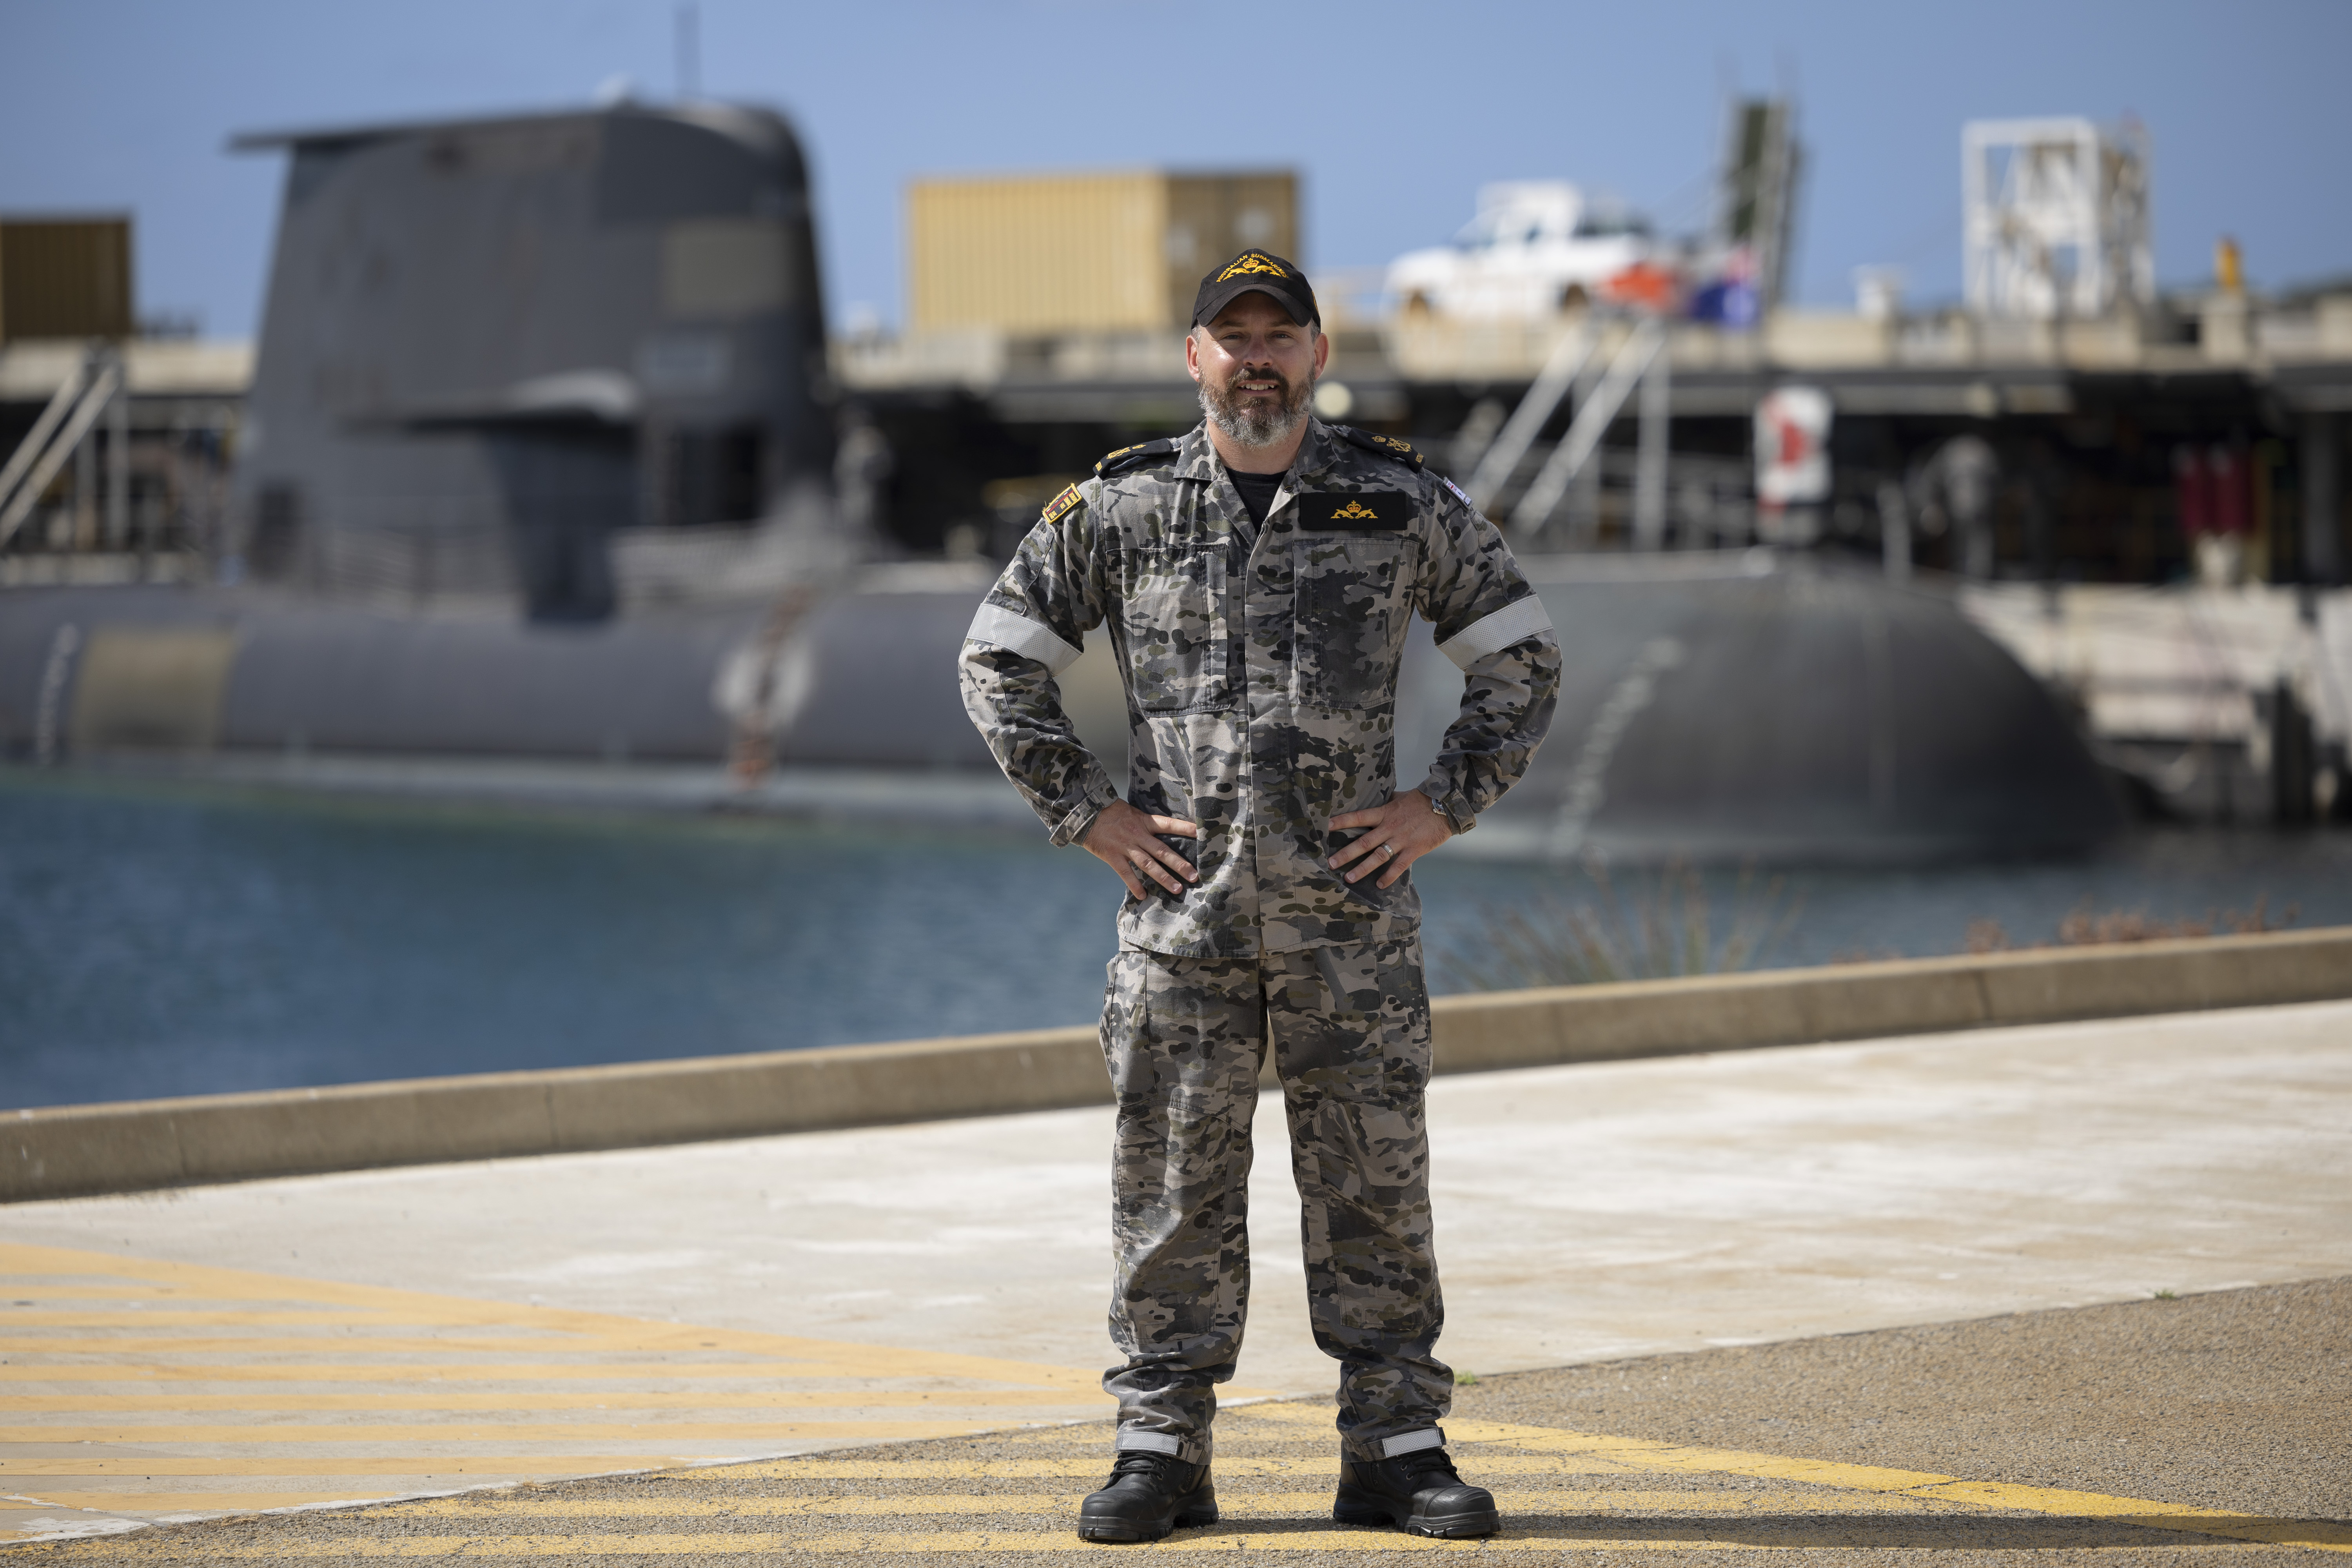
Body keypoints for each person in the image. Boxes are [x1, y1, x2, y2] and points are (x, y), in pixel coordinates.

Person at [958, 250, 1561, 1543]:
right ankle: (1161, 1449)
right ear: (1194, 360)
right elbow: (997, 658)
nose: (1256, 359)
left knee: (1375, 1187)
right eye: (1231, 338)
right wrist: (1088, 814)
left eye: (1279, 334)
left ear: (1317, 354)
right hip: (1182, 924)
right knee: (1173, 1187)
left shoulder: (1396, 505)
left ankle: (1397, 1448)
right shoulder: (1122, 511)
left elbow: (1521, 658)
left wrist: (1442, 805)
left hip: (1352, 922)